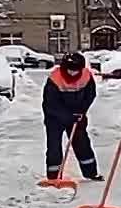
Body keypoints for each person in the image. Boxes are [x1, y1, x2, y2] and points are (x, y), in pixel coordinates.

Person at [42, 52, 102, 181]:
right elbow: (51, 104)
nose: (73, 73)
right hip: (55, 117)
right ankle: (53, 177)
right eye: (70, 70)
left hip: (77, 115)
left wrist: (82, 111)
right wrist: (69, 116)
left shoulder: (86, 76)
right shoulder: (55, 79)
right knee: (54, 147)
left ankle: (91, 173)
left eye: (76, 70)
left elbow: (90, 95)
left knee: (82, 143)